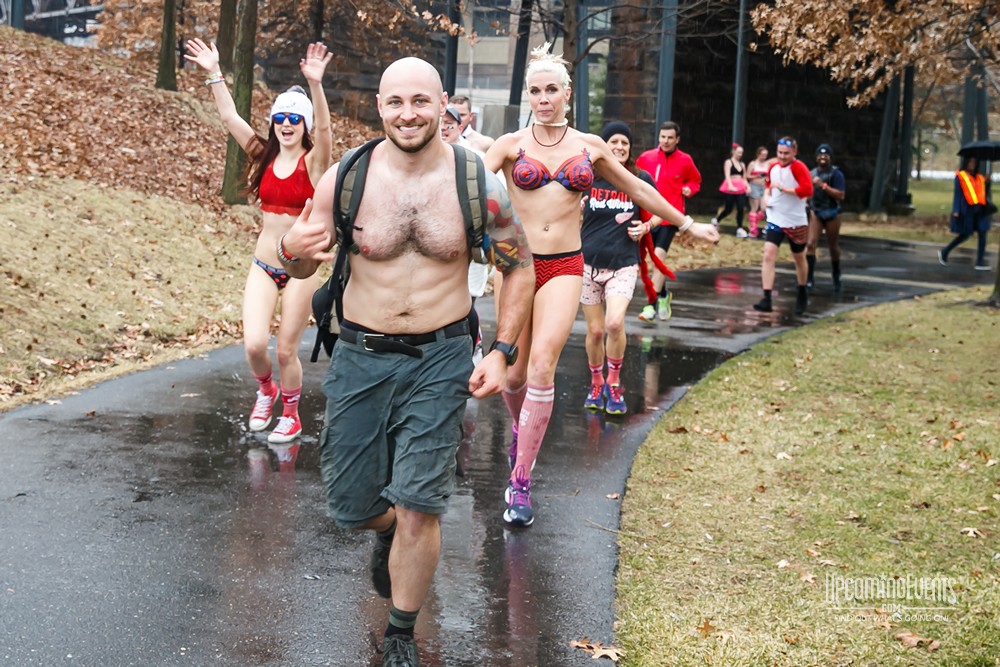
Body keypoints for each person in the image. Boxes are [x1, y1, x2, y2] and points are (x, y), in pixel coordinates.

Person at [277, 57, 534, 666]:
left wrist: (501, 351)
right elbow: (300, 264)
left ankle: (400, 633)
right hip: (361, 356)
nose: (408, 113)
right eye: (396, 102)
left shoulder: (476, 182)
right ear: (380, 108)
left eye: (421, 101)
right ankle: (385, 529)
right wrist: (290, 251)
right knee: (351, 504)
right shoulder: (346, 177)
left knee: (421, 504)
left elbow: (517, 265)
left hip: (441, 357)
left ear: (442, 103)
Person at [485, 45, 719, 527]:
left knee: (543, 369)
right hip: (516, 268)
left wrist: (687, 223)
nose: (543, 98)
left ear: (568, 93)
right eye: (535, 90)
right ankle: (520, 433)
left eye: (552, 90)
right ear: (527, 95)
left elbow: (639, 190)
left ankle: (521, 481)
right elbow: (464, 190)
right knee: (513, 376)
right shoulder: (508, 146)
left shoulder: (590, 147)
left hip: (566, 266)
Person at [184, 38, 333, 444]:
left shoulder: (314, 163)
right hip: (264, 265)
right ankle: (266, 390)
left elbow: (324, 130)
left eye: (294, 119)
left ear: (303, 125)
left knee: (286, 350)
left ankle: (291, 414)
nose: (286, 124)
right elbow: (230, 117)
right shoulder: (262, 154)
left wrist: (315, 86)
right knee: (253, 346)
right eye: (280, 117)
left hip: (302, 270)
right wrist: (215, 72)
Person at [580, 121, 655, 416]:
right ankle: (596, 382)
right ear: (604, 146)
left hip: (623, 265)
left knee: (613, 324)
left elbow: (663, 208)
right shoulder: (589, 177)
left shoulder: (639, 177)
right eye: (614, 142)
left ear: (630, 148)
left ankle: (614, 383)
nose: (620, 147)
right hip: (587, 264)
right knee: (596, 331)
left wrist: (647, 225)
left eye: (625, 143)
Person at [636, 120, 703, 322]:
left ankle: (650, 305)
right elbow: (632, 180)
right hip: (648, 216)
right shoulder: (646, 158)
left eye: (670, 138)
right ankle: (664, 294)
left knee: (659, 258)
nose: (665, 141)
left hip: (669, 218)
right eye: (663, 137)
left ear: (677, 140)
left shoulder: (685, 160)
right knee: (649, 262)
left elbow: (695, 180)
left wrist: (689, 189)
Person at [752, 136, 813, 315]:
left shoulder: (799, 167)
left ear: (794, 152)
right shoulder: (773, 167)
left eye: (786, 153)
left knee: (799, 257)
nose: (782, 156)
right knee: (768, 255)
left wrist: (786, 190)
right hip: (775, 218)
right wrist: (766, 198)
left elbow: (807, 190)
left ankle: (802, 291)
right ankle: (766, 298)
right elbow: (769, 186)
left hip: (795, 220)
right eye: (779, 152)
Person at [939, 155, 993, 271]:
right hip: (967, 210)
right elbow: (957, 194)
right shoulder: (961, 176)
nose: (972, 165)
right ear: (966, 163)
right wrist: (956, 210)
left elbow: (983, 193)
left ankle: (980, 261)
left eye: (974, 162)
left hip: (980, 210)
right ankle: (945, 251)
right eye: (970, 162)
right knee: (965, 234)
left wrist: (987, 183)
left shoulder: (979, 177)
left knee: (983, 233)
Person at [806, 143, 847, 289]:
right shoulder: (811, 173)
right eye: (820, 155)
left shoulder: (836, 173)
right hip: (816, 211)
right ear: (816, 158)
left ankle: (836, 273)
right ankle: (809, 277)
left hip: (832, 211)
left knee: (832, 246)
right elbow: (808, 193)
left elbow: (841, 195)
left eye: (826, 155)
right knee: (810, 243)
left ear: (830, 158)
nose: (823, 157)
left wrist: (823, 185)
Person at [712, 142, 748, 237]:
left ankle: (740, 228)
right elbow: (727, 175)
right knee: (728, 208)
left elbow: (744, 177)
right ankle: (717, 219)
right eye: (738, 152)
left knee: (741, 207)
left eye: (741, 153)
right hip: (731, 186)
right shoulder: (728, 162)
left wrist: (747, 186)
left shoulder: (742, 164)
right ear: (733, 152)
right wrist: (730, 185)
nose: (740, 154)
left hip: (740, 186)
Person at [746, 146, 770, 238]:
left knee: (764, 208)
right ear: (758, 154)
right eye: (763, 155)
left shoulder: (767, 164)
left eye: (766, 155)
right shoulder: (753, 164)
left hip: (764, 187)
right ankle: (753, 229)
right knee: (754, 208)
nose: (764, 157)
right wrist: (756, 176)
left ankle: (754, 223)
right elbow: (747, 176)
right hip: (754, 186)